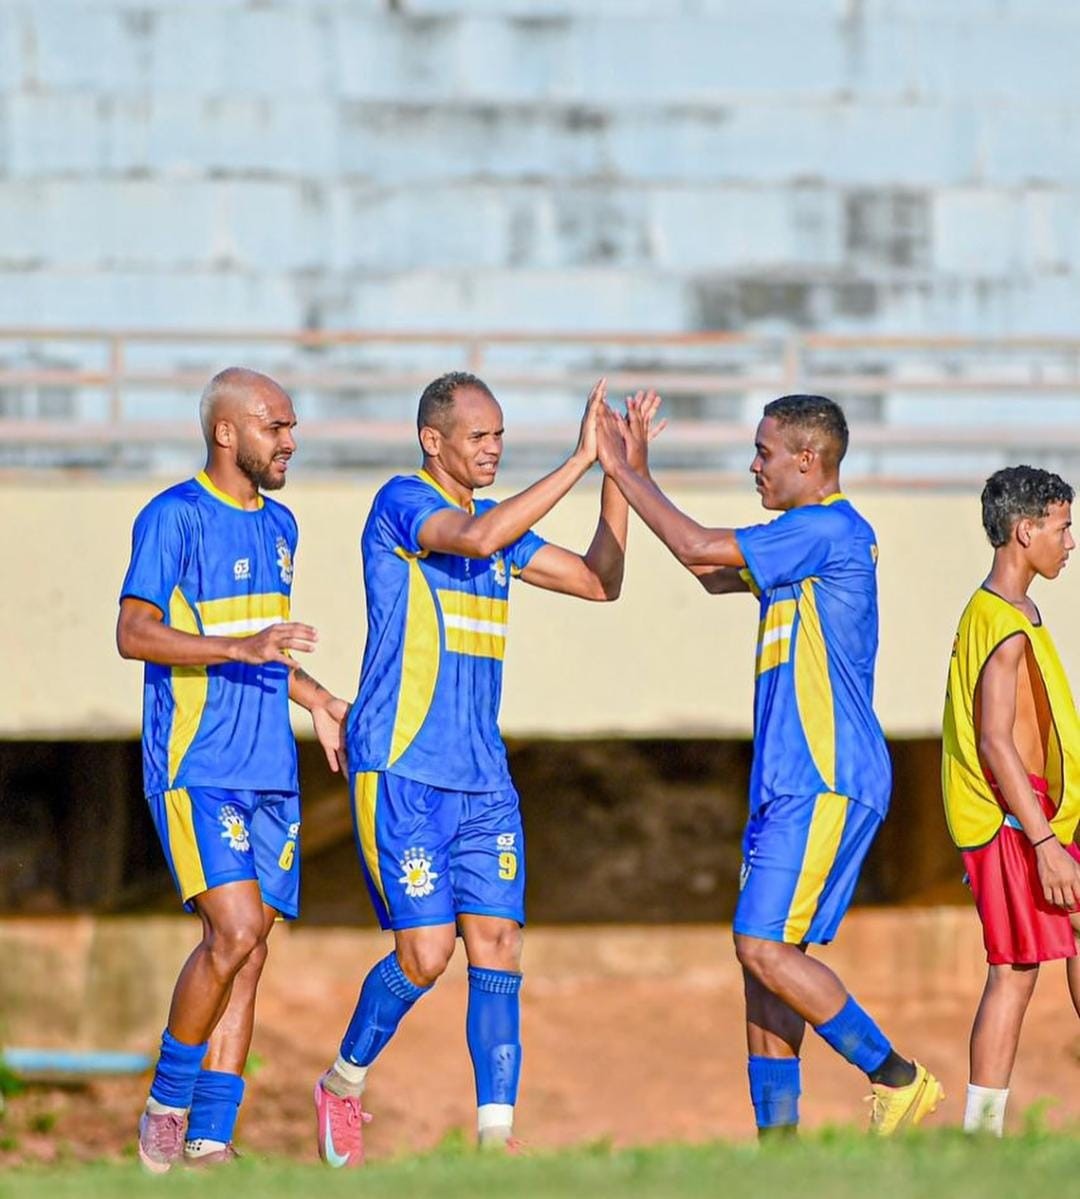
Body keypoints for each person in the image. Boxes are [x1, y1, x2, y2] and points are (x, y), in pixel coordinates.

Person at [313, 372, 657, 1166]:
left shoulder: (498, 528)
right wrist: (577, 462)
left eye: (501, 435)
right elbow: (472, 540)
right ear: (434, 440)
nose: (494, 448)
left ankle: (495, 1138)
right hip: (400, 770)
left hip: (482, 781)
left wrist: (619, 475)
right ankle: (342, 1080)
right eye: (480, 436)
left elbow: (602, 580)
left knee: (497, 942)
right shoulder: (404, 503)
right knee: (425, 956)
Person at [593, 393, 942, 1136]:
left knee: (760, 944)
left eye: (764, 452)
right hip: (791, 778)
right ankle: (778, 1151)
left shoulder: (828, 529)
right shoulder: (798, 540)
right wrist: (638, 474)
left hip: (824, 773)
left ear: (807, 460)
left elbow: (694, 545)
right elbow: (709, 571)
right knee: (767, 962)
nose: (754, 465)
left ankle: (898, 1076)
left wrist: (623, 469)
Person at [117, 368, 348, 1171]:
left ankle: (211, 1143)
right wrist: (233, 648)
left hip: (270, 772)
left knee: (250, 955)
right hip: (197, 764)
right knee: (234, 928)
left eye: (291, 427)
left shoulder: (282, 523)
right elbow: (135, 632)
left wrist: (316, 697)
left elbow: (264, 651)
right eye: (275, 426)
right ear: (227, 433)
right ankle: (166, 1104)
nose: (290, 440)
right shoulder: (172, 516)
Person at [942, 466, 1080, 1136]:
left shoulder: (1015, 610)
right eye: (1062, 526)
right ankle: (980, 1132)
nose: (1070, 541)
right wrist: (1045, 843)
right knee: (1015, 968)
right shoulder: (999, 622)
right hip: (1015, 820)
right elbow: (996, 741)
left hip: (1038, 812)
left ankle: (981, 1133)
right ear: (1026, 531)